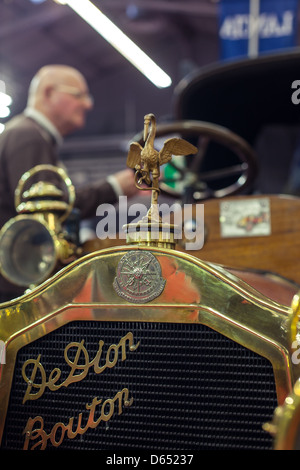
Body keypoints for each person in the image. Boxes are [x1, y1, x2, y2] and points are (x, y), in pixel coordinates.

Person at [0, 64, 138, 302]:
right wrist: (114, 187)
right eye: (78, 95)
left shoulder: (30, 135)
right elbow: (51, 213)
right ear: (48, 93)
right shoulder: (28, 136)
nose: (88, 104)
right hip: (15, 289)